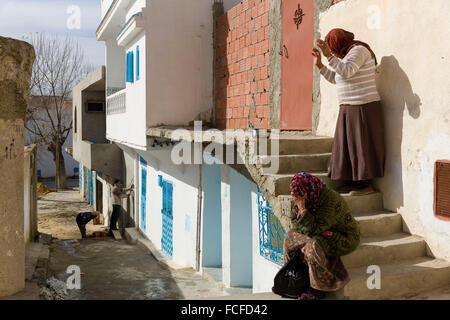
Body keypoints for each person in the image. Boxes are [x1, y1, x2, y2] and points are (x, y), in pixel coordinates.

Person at [312, 28, 385, 196]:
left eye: (332, 47)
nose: (333, 52)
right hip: (348, 107)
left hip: (362, 106)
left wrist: (329, 56)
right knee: (348, 147)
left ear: (339, 43)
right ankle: (354, 182)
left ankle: (366, 185)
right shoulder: (345, 57)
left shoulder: (359, 51)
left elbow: (347, 71)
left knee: (361, 146)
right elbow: (337, 78)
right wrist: (321, 65)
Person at [282, 172, 360, 300]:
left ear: (308, 191)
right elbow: (294, 224)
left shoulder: (331, 201)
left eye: (298, 196)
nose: (295, 199)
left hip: (342, 237)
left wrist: (302, 209)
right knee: (290, 237)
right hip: (322, 232)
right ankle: (293, 276)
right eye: (293, 195)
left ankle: (316, 289)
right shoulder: (303, 195)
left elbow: (315, 228)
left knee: (313, 244)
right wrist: (301, 211)